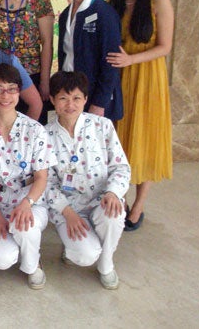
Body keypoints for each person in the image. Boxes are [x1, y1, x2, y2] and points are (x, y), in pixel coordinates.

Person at [106, 0, 174, 231]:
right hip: (119, 81)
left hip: (147, 80)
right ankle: (116, 197)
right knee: (119, 139)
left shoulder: (159, 1)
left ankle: (138, 206)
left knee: (144, 138)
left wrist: (131, 59)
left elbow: (165, 47)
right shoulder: (112, 2)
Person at [45, 71, 130, 290]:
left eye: (76, 98)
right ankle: (75, 245)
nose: (70, 105)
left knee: (115, 213)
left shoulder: (103, 126)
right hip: (69, 207)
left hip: (102, 199)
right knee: (84, 255)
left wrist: (113, 192)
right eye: (63, 98)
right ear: (53, 100)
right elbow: (45, 182)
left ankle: (106, 263)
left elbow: (120, 166)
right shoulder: (44, 135)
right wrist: (68, 213)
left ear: (85, 98)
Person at [0, 64, 55, 289]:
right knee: (1, 259)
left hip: (28, 198)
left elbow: (41, 176)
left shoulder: (35, 129)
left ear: (20, 92)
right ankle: (16, 245)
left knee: (25, 226)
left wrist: (27, 203)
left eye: (11, 89)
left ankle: (33, 264)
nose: (5, 96)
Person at [57, 0, 123, 122]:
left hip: (95, 100)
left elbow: (111, 63)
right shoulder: (65, 15)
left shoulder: (105, 13)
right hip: (70, 97)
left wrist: (99, 103)